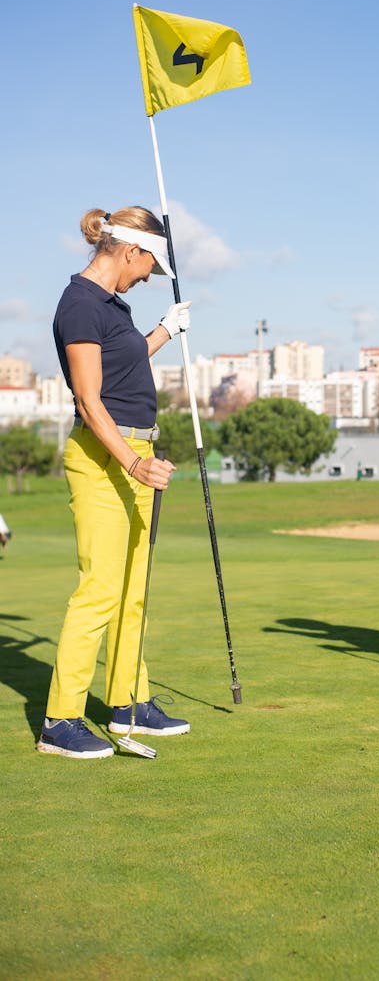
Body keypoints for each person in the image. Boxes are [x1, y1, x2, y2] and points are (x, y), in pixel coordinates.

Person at [37, 206, 193, 759]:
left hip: (137, 449)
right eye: (150, 263)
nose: (150, 275)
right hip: (106, 457)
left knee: (134, 588)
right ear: (129, 249)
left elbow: (124, 365)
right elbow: (88, 398)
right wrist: (132, 463)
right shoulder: (79, 305)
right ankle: (60, 720)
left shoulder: (113, 306)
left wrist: (164, 332)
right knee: (100, 588)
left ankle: (128, 702)